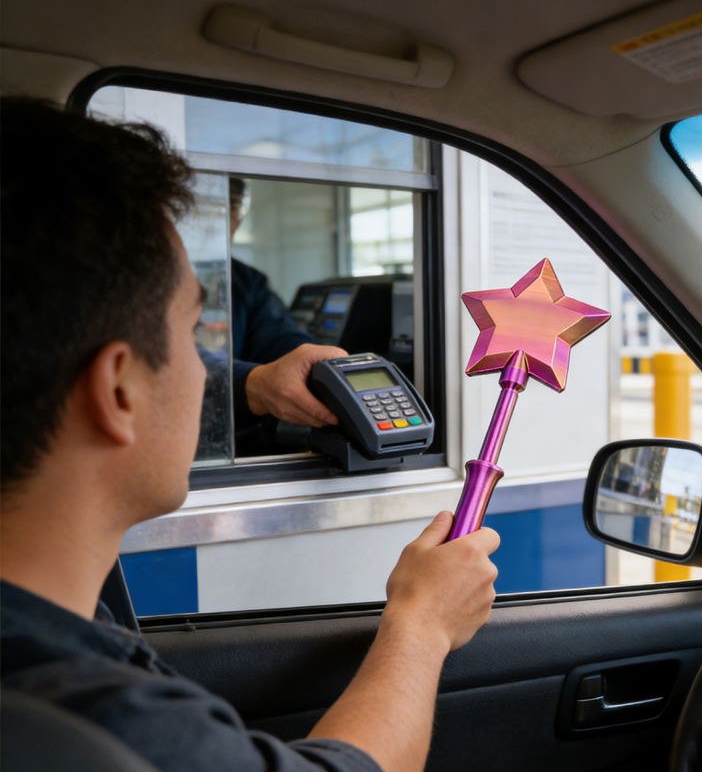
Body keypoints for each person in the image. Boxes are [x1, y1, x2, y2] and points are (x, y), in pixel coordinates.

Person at [0, 97, 500, 772]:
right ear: (118, 390)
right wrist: (421, 627)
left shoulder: (65, 631)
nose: (210, 376)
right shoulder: (108, 729)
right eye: (191, 337)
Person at [227, 177, 346, 433]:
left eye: (232, 210)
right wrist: (257, 384)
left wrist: (318, 368)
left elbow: (279, 337)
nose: (226, 224)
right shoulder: (142, 280)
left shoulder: (245, 282)